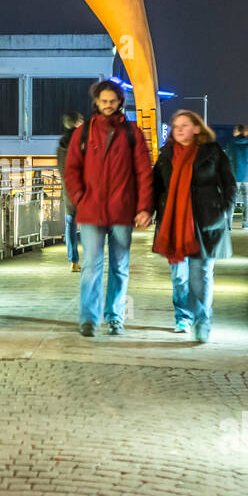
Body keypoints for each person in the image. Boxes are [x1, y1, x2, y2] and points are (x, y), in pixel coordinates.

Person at [64, 79, 153, 337]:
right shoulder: (84, 133)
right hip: (92, 211)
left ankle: (114, 317)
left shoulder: (131, 133)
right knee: (92, 266)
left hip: (122, 212)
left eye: (112, 101)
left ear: (120, 102)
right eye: (104, 101)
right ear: (96, 102)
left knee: (119, 267)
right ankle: (89, 318)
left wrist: (144, 207)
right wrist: (81, 198)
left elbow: (143, 172)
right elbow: (71, 169)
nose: (108, 105)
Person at [152, 110, 236, 343]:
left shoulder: (213, 153)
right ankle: (183, 316)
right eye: (175, 125)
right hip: (174, 223)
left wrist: (223, 212)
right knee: (179, 277)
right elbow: (156, 186)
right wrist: (146, 211)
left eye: (184, 125)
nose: (178, 129)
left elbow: (229, 184)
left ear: (197, 128)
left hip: (206, 221)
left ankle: (203, 320)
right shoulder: (166, 155)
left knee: (201, 275)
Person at [55, 111, 85, 271]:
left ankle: (73, 260)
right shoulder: (82, 140)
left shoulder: (61, 144)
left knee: (70, 225)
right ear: (76, 123)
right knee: (89, 225)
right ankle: (92, 258)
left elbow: (61, 167)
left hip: (68, 191)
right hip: (84, 190)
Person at [227, 124, 248, 228]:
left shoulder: (231, 144)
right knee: (247, 199)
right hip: (247, 177)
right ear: (245, 132)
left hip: (233, 176)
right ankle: (246, 222)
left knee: (231, 200)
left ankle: (228, 224)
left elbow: (227, 158)